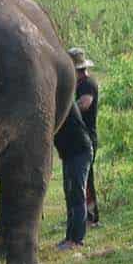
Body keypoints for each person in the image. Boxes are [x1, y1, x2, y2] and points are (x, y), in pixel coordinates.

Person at [54, 101, 94, 251]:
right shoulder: (59, 100)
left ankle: (77, 240)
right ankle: (69, 237)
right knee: (70, 195)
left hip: (79, 152)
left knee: (77, 195)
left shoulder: (63, 103)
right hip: (70, 154)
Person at [69, 47, 100, 225]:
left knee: (85, 180)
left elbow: (85, 104)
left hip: (88, 136)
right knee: (84, 179)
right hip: (82, 136)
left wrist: (68, 108)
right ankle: (87, 216)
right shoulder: (79, 85)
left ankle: (90, 217)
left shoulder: (88, 84)